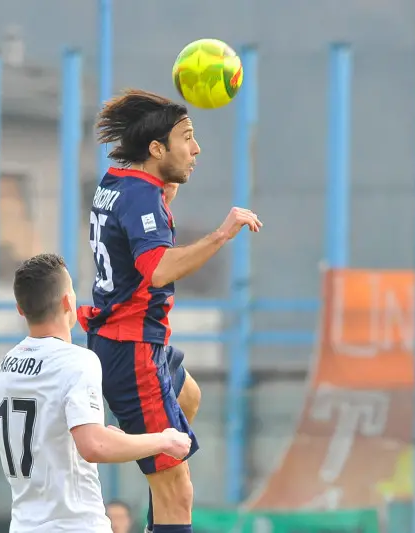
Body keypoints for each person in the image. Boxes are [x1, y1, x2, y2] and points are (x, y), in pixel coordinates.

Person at [77, 89, 262, 533]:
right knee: (178, 488)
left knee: (188, 396)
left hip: (126, 340)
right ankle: (161, 507)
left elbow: (131, 227)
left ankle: (155, 508)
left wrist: (166, 188)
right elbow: (157, 269)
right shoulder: (142, 197)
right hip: (132, 349)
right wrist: (222, 234)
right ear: (157, 149)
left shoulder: (118, 181)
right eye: (187, 138)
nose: (196, 149)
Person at [0, 253, 192, 533]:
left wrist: (110, 437)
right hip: (73, 525)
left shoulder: (8, 364)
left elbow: (52, 435)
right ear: (67, 302)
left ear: (20, 309)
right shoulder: (76, 360)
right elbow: (93, 446)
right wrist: (163, 440)